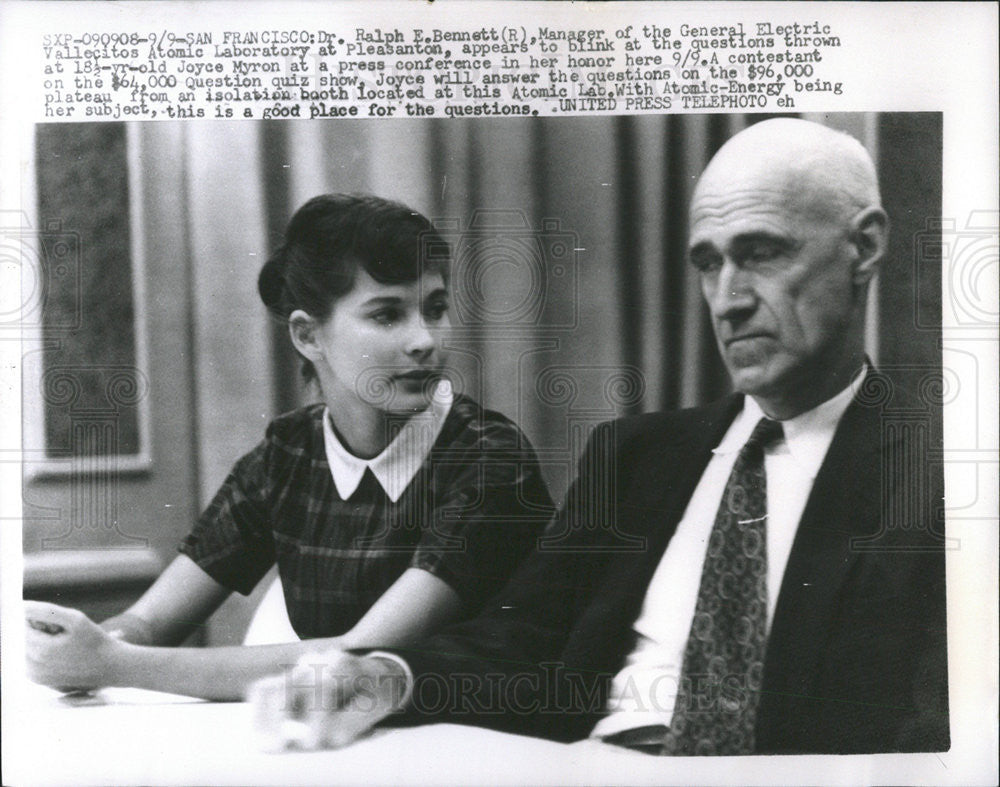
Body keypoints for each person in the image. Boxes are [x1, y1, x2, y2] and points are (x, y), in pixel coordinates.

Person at [250, 119, 949, 755]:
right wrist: (384, 676)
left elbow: (938, 729)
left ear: (864, 246)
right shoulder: (635, 455)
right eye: (708, 263)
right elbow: (520, 643)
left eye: (762, 252)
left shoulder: (940, 471)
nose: (729, 299)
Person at [25, 194, 554, 701]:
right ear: (307, 336)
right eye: (388, 315)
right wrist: (83, 647)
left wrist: (113, 664)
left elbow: (359, 657)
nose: (426, 340)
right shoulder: (288, 454)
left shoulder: (488, 457)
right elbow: (152, 620)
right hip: (344, 740)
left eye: (435, 308)